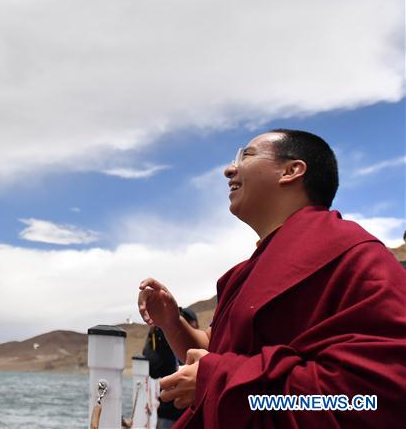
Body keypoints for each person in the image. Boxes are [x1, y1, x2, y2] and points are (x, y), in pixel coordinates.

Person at [137, 129, 406, 428]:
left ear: (292, 170)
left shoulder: (354, 255)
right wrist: (172, 323)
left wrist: (218, 382)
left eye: (247, 155)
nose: (229, 169)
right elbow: (214, 352)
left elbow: (372, 397)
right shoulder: (243, 275)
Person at [143, 307, 200, 428]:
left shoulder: (199, 349)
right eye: (190, 328)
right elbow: (153, 369)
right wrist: (155, 336)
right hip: (167, 413)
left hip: (192, 412)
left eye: (195, 328)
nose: (193, 332)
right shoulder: (163, 342)